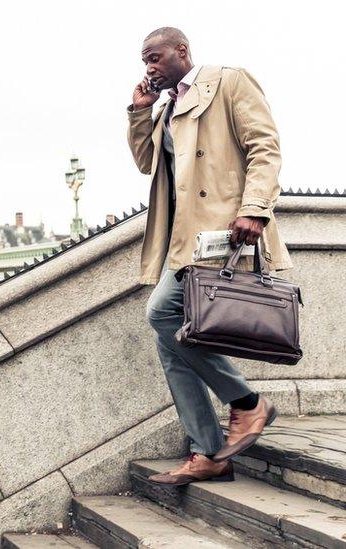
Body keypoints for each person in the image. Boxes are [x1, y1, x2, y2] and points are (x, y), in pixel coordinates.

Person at [126, 27, 294, 486]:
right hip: (185, 242)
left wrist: (255, 209)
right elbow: (147, 163)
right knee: (169, 333)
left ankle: (245, 404)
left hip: (225, 233)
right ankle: (210, 451)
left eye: (154, 57)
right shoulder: (165, 109)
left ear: (182, 51)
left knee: (162, 316)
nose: (149, 67)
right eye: (144, 60)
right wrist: (140, 113)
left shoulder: (227, 81)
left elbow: (265, 147)